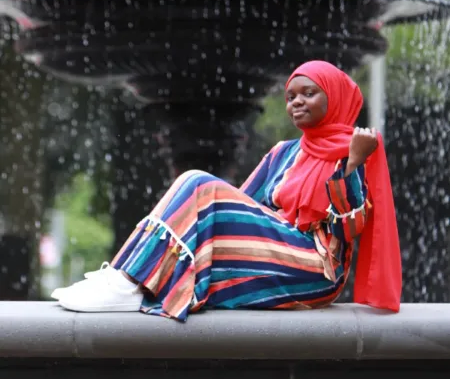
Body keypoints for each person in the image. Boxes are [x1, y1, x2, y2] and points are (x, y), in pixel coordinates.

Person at [52, 60, 402, 321]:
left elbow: (348, 230)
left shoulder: (354, 149)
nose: (296, 102)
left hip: (315, 269)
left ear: (336, 99)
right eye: (291, 96)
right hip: (272, 248)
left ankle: (131, 282)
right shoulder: (284, 152)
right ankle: (128, 277)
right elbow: (244, 207)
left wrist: (353, 165)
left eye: (309, 94)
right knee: (198, 189)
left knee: (196, 181)